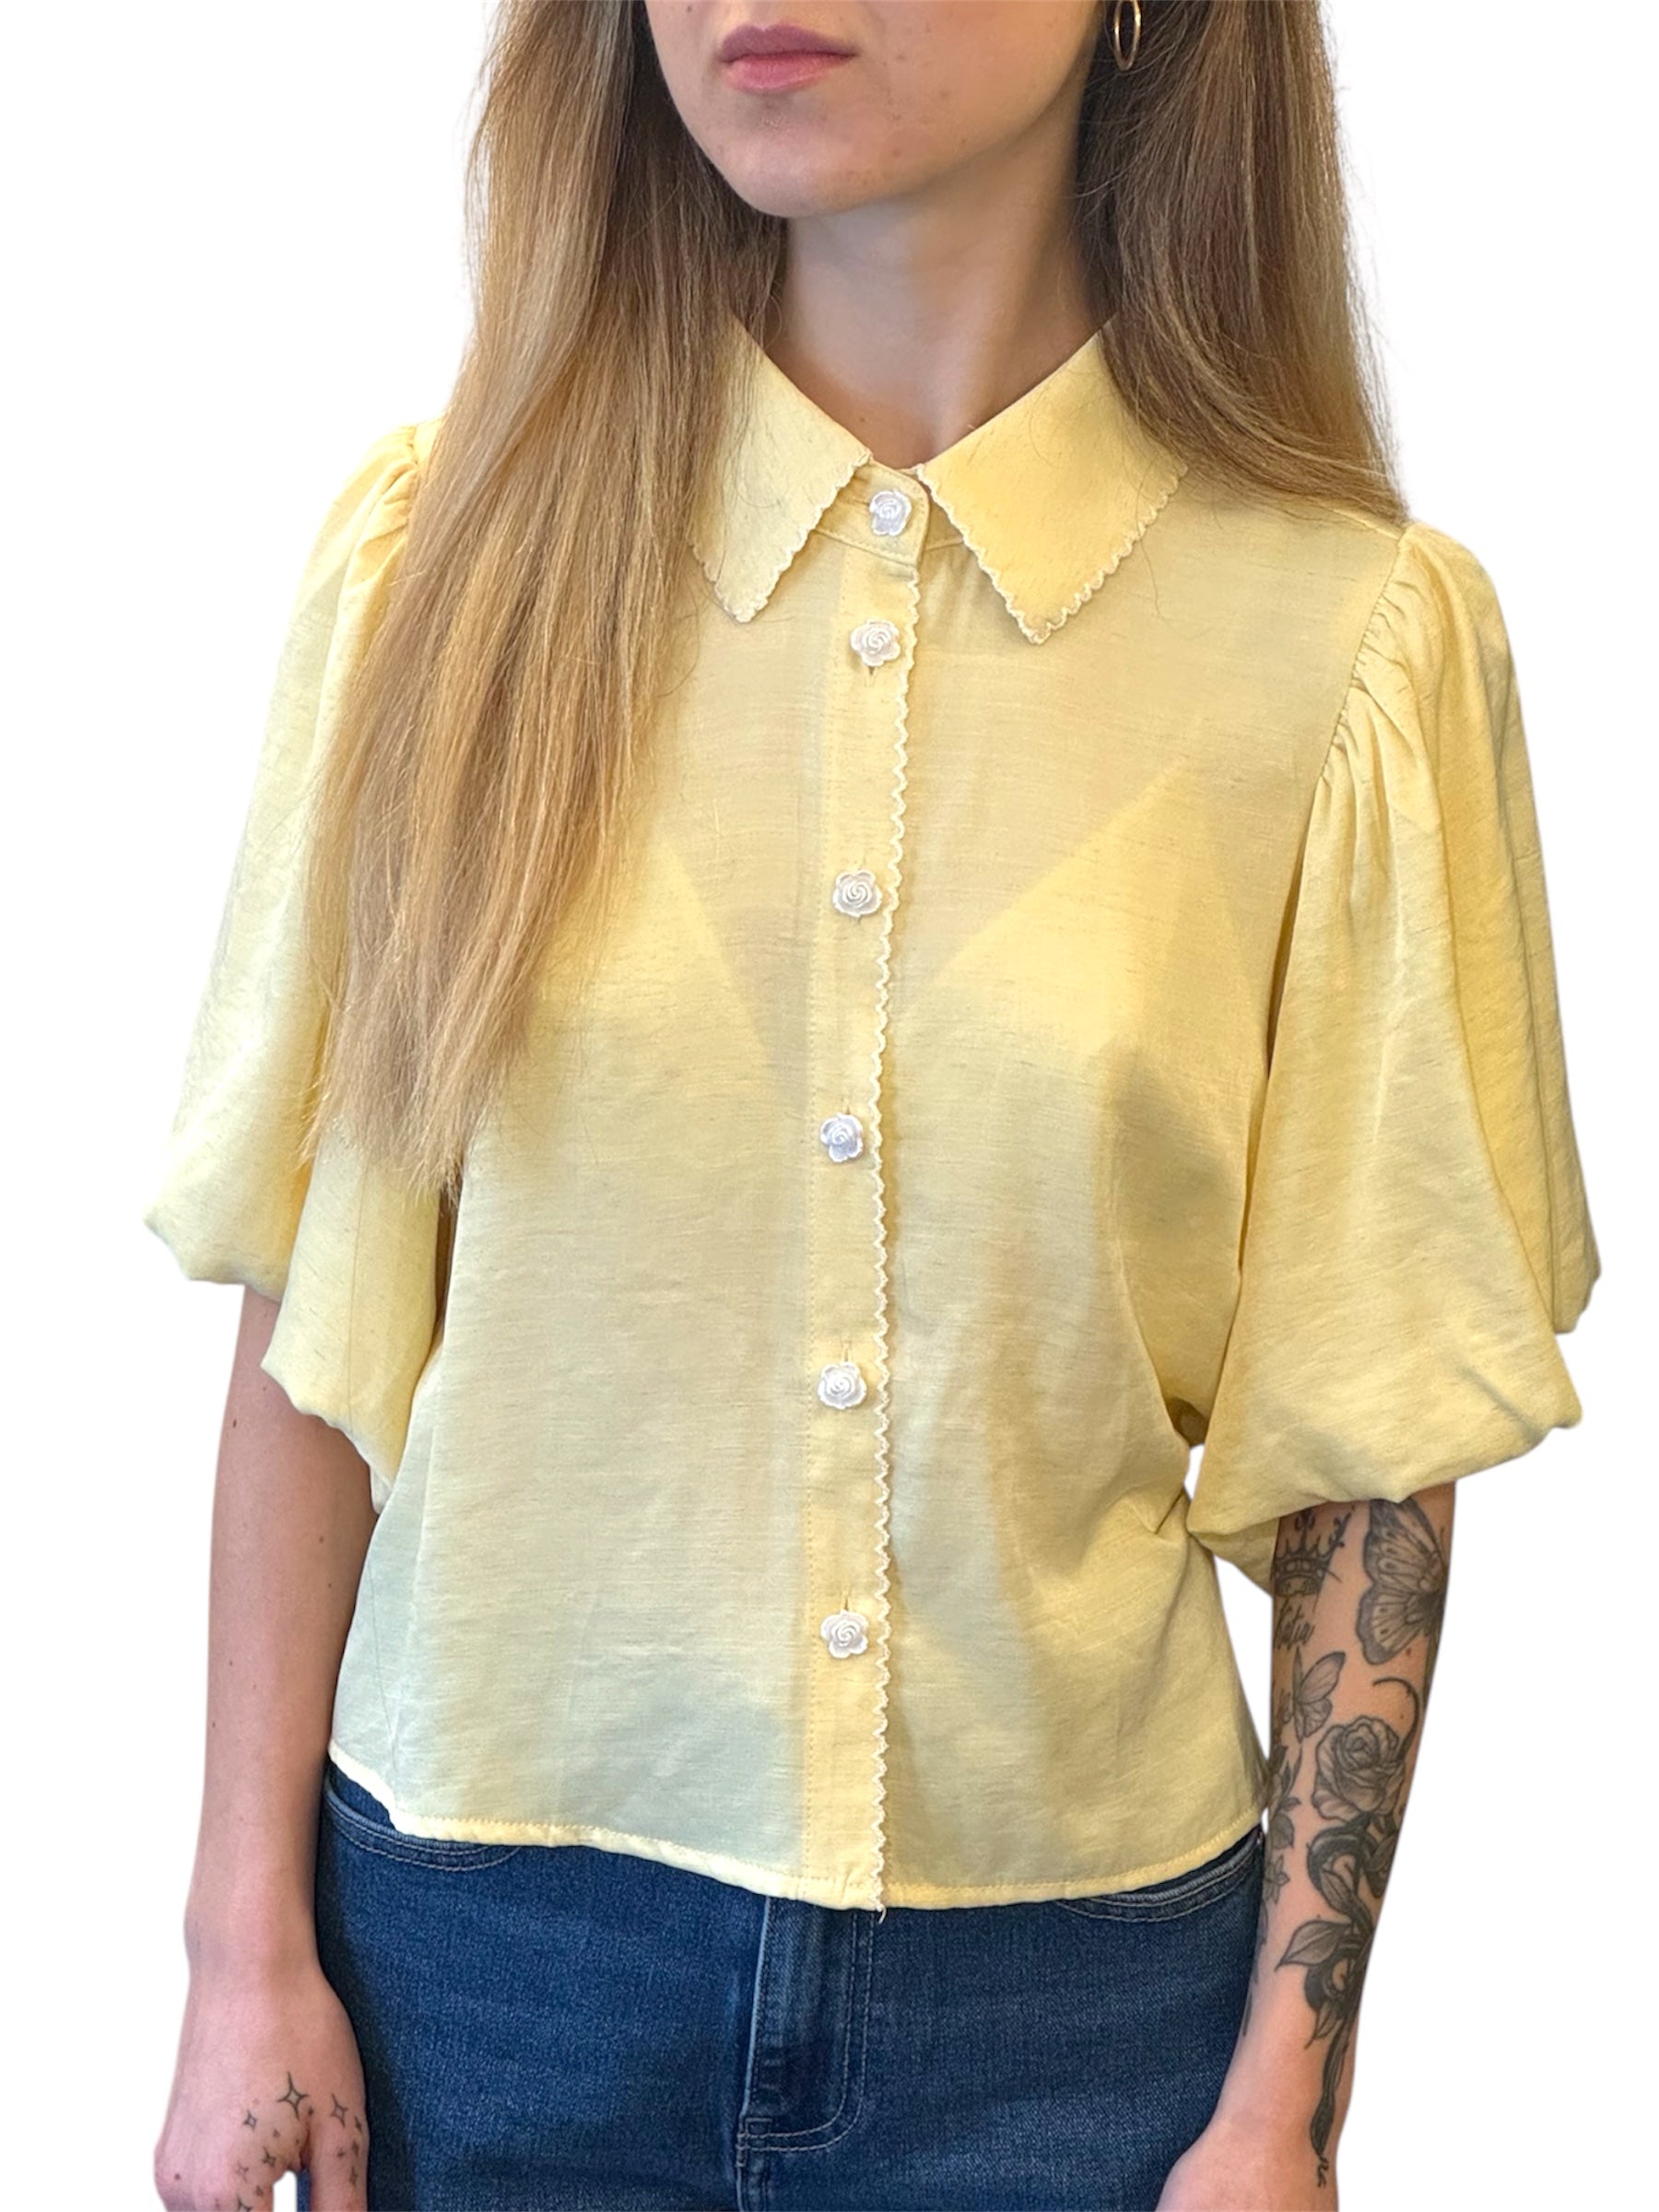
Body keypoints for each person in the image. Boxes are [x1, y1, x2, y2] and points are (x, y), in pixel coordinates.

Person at [147, 4, 1598, 2208]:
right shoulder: (445, 570)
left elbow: (1367, 1450)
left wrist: (1284, 2105)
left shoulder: (1350, 650)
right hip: (483, 1973)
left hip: (1082, 2013)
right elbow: (317, 1333)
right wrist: (239, 1949)